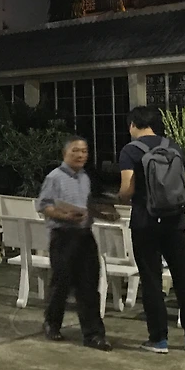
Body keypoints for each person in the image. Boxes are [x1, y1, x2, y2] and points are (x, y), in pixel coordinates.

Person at [118, 106, 185, 353]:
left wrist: (121, 195)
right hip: (175, 221)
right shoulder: (174, 147)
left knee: (151, 280)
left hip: (145, 222)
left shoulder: (130, 151)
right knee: (183, 278)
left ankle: (158, 339)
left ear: (133, 125)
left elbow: (127, 190)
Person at [36, 136, 111, 351]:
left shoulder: (86, 178)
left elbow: (88, 205)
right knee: (61, 283)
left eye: (84, 151)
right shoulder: (54, 177)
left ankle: (94, 334)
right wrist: (64, 215)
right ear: (65, 153)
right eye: (75, 151)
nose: (80, 155)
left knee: (89, 285)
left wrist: (103, 213)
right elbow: (43, 205)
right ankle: (52, 323)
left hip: (85, 235)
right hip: (63, 235)